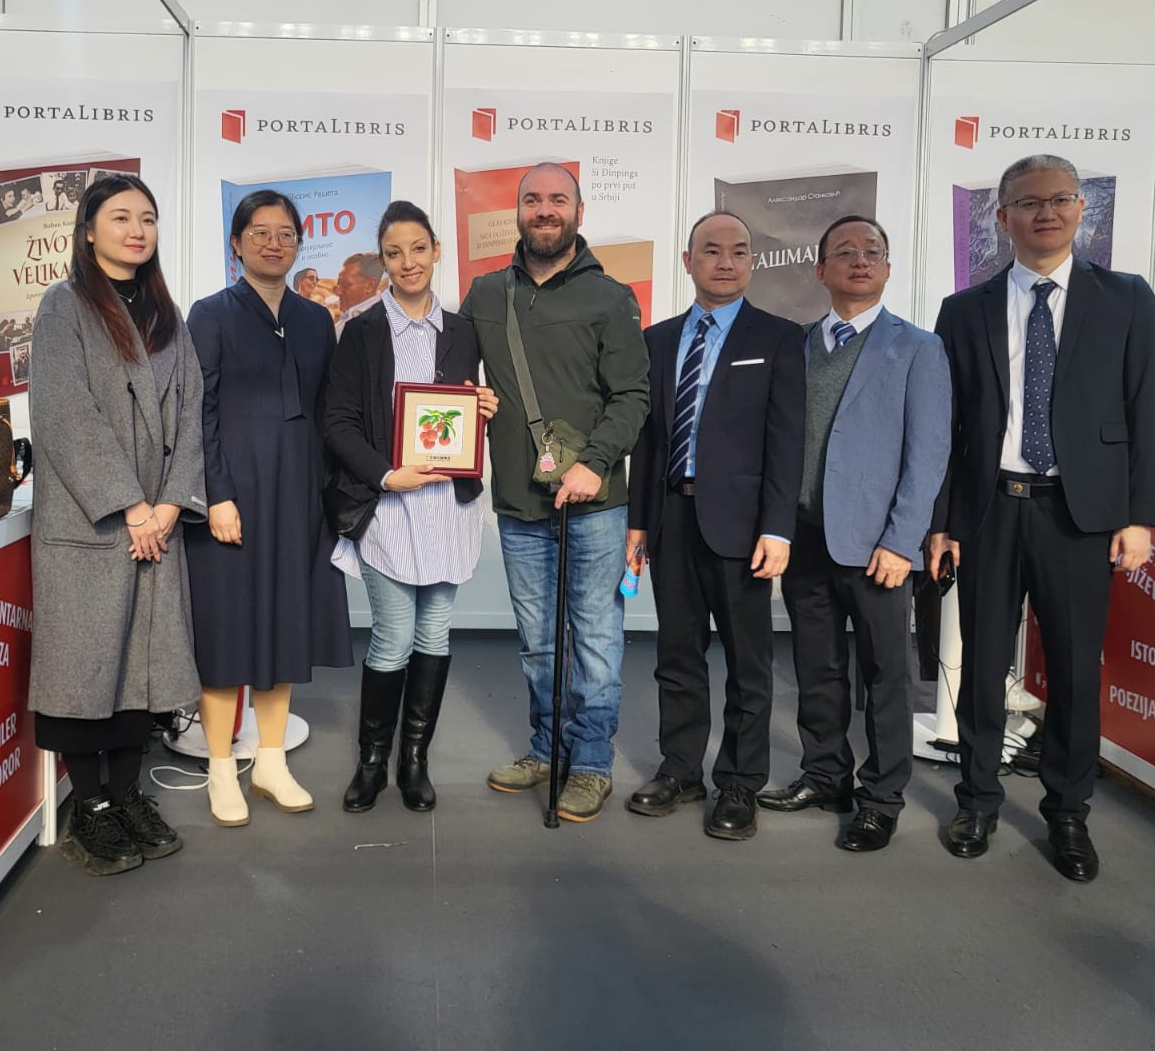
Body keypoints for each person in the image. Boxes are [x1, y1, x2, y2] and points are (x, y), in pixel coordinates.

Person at [929, 153, 1155, 882]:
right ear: (1002, 216)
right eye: (1029, 202)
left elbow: (1149, 411)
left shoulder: (1126, 299)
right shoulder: (963, 310)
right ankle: (977, 799)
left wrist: (1140, 516)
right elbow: (947, 427)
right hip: (988, 511)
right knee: (980, 666)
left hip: (1079, 514)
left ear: (1081, 210)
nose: (1046, 213)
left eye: (1060, 199)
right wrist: (941, 522)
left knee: (1072, 670)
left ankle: (1068, 812)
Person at [458, 162, 650, 822]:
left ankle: (590, 763)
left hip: (594, 504)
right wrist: (470, 401)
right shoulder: (486, 293)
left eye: (558, 199)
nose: (545, 209)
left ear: (579, 212)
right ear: (517, 212)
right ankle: (547, 750)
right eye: (533, 199)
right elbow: (450, 381)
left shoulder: (611, 297)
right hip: (519, 502)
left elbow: (633, 396)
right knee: (539, 642)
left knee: (594, 639)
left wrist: (594, 464)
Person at [27, 173, 206, 876]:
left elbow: (191, 411)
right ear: (89, 230)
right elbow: (64, 414)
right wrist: (131, 506)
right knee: (84, 666)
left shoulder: (166, 314)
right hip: (94, 523)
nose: (137, 230)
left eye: (148, 218)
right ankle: (91, 808)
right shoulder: (63, 306)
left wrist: (171, 504)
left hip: (155, 521)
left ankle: (128, 795)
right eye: (122, 217)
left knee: (142, 667)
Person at [756, 216, 950, 852]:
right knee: (817, 668)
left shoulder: (918, 348)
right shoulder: (796, 346)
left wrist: (902, 540)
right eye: (845, 252)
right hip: (806, 538)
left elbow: (928, 454)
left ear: (888, 268)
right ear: (821, 270)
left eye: (873, 252)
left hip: (877, 546)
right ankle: (825, 775)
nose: (860, 260)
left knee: (886, 675)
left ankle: (882, 797)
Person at [624, 211, 804, 841]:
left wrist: (777, 528)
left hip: (744, 527)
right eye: (711, 250)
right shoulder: (657, 340)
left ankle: (739, 781)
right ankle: (680, 769)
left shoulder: (780, 338)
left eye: (738, 251)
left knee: (749, 662)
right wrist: (638, 523)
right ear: (688, 260)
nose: (725, 261)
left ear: (752, 260)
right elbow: (648, 441)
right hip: (671, 516)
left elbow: (788, 442)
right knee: (676, 654)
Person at [185, 190, 354, 827]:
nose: (274, 243)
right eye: (259, 232)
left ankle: (271, 763)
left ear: (299, 244)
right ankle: (220, 769)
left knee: (285, 626)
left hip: (298, 495)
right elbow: (197, 413)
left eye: (286, 233)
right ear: (236, 244)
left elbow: (332, 410)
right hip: (233, 496)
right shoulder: (210, 315)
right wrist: (217, 495)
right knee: (228, 631)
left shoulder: (315, 320)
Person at [324, 201, 499, 812]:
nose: (408, 262)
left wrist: (483, 407)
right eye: (394, 253)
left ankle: (414, 760)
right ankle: (372, 762)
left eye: (418, 249)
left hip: (447, 507)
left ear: (436, 251)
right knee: (393, 636)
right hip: (388, 505)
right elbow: (338, 422)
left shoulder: (463, 331)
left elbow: (462, 413)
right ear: (384, 260)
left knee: (433, 633)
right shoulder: (361, 330)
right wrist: (385, 473)